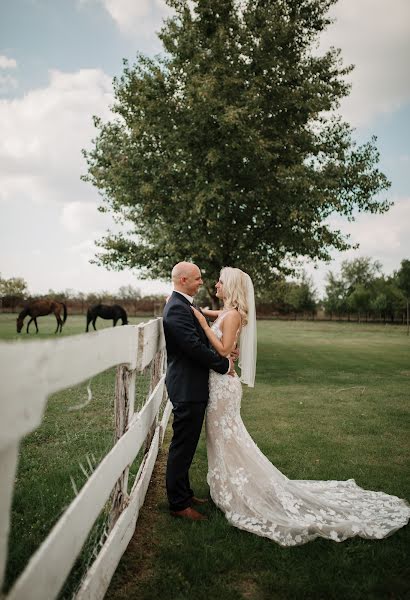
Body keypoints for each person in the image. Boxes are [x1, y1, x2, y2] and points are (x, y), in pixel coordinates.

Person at [190, 266, 410, 545]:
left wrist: (201, 323)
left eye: (220, 281)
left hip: (224, 387)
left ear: (230, 286)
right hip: (220, 385)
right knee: (223, 438)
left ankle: (237, 489)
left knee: (227, 438)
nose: (216, 284)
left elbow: (223, 350)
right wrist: (201, 314)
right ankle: (226, 484)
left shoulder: (232, 315)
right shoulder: (226, 312)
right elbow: (216, 317)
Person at [162, 262, 234, 521]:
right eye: (197, 278)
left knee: (188, 444)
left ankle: (185, 492)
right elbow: (193, 346)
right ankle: (179, 504)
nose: (201, 282)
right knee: (182, 445)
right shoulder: (177, 309)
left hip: (192, 384)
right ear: (182, 280)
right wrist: (223, 364)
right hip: (186, 385)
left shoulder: (184, 304)